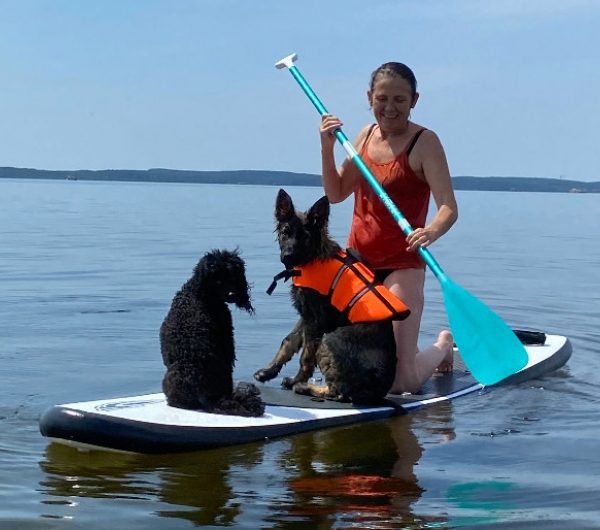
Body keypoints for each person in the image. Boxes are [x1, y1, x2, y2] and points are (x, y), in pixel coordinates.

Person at [319, 62, 458, 394]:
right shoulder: (364, 137)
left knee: (400, 382)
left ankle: (442, 347)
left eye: (399, 99)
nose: (390, 107)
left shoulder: (425, 142)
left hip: (403, 264)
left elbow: (448, 208)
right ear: (370, 98)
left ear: (414, 100)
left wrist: (431, 231)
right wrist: (326, 147)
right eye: (382, 98)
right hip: (358, 264)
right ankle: (406, 353)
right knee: (353, 364)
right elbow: (336, 194)